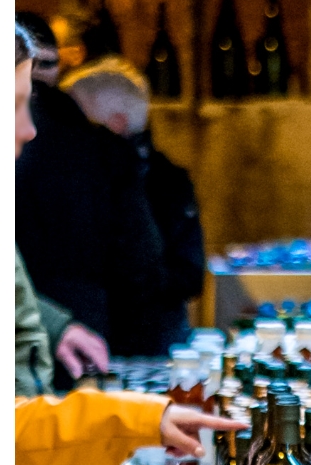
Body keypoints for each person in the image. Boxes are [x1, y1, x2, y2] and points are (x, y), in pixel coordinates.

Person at [11, 35, 240, 465]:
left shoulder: (152, 176)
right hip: (99, 352)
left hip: (82, 371)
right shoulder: (107, 160)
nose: (32, 130)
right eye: (19, 106)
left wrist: (57, 323)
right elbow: (149, 266)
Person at [17, 52, 177, 362]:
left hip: (29, 327)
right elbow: (140, 261)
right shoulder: (106, 154)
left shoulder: (29, 138)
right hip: (86, 338)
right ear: (118, 123)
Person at [64, 61, 208, 355]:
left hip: (138, 346)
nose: (65, 135)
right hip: (125, 341)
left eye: (77, 122)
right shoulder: (164, 177)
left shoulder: (153, 182)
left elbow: (187, 274)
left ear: (115, 123)